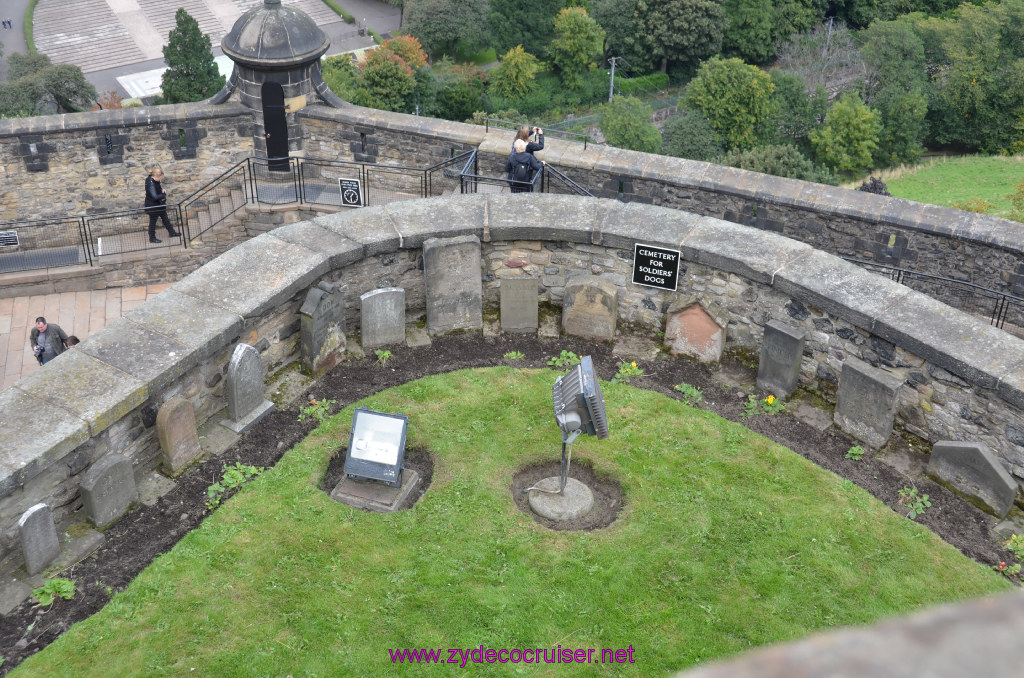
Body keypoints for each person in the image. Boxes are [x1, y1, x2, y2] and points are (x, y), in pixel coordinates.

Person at [144, 166, 179, 244]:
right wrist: (163, 194)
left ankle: (172, 232)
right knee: (153, 223)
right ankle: (152, 238)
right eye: (160, 178)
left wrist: (161, 190)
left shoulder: (153, 180)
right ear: (156, 176)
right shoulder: (151, 183)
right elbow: (155, 196)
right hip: (153, 206)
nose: (160, 180)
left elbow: (157, 190)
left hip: (159, 205)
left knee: (165, 219)